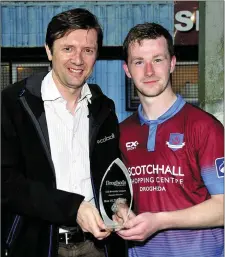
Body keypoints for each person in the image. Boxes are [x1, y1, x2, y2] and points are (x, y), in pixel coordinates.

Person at [1, 8, 124, 257]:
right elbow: (6, 183)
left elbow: (110, 173)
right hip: (38, 245)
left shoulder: (104, 107)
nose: (78, 60)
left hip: (96, 246)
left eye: (87, 50)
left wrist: (119, 205)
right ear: (49, 50)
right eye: (68, 48)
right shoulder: (13, 103)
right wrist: (73, 208)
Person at [116, 22, 224, 257]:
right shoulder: (121, 133)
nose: (149, 72)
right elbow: (118, 195)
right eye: (138, 62)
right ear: (127, 69)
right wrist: (119, 209)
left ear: (172, 63)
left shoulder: (204, 127)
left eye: (157, 60)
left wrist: (160, 221)